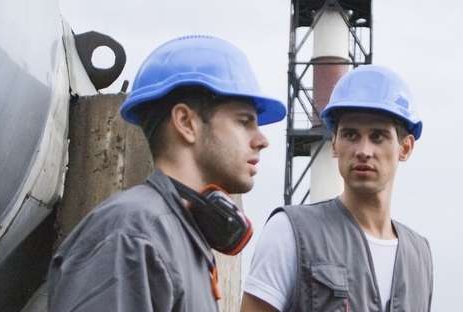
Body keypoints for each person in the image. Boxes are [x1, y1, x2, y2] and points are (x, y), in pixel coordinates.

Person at [47, 35, 286, 312]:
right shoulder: (130, 235)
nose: (261, 140)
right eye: (244, 122)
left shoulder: (180, 237)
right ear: (186, 123)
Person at [241, 65, 433, 312]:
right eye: (351, 135)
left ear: (405, 148)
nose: (364, 150)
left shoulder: (419, 255)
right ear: (334, 144)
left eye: (378, 137)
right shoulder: (290, 232)